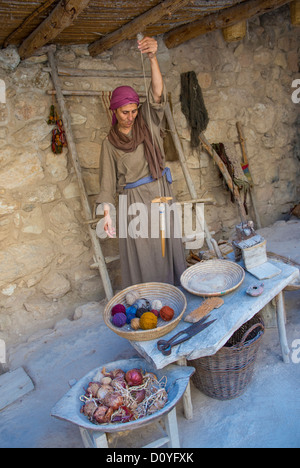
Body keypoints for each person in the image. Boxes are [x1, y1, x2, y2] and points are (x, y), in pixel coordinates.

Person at [96, 36, 186, 289]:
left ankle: (174, 291)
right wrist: (107, 216)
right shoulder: (109, 143)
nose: (130, 116)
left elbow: (157, 92)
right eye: (125, 112)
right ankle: (148, 295)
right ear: (114, 112)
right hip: (133, 201)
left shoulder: (147, 121)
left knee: (166, 245)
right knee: (144, 253)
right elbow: (106, 182)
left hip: (160, 190)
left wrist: (152, 57)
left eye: (134, 111)